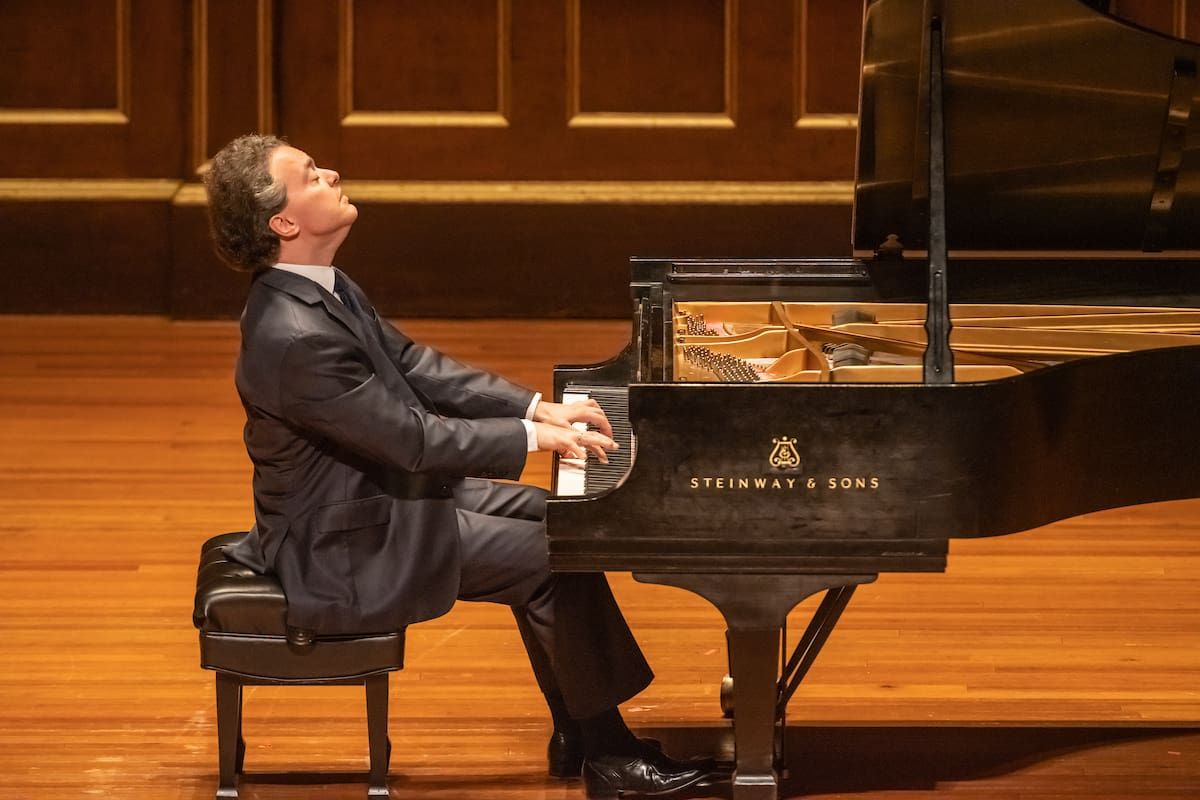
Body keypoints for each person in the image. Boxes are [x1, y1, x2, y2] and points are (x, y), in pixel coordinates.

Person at [203, 134, 713, 798]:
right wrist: (533, 437)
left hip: (375, 502)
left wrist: (536, 406)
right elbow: (412, 440)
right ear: (284, 223)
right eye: (310, 175)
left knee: (562, 521)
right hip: (345, 546)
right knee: (551, 557)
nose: (330, 173)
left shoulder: (321, 288)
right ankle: (610, 757)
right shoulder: (294, 336)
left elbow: (414, 365)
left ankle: (580, 734)